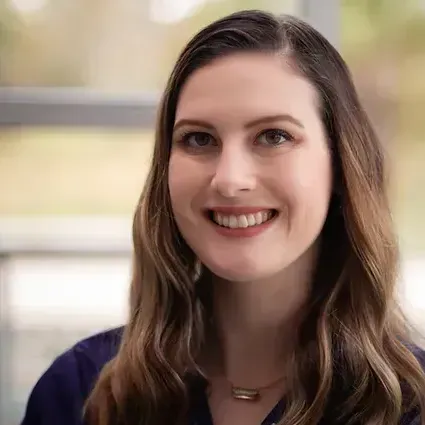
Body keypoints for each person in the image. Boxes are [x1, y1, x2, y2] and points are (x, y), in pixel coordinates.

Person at [21, 9, 425, 425]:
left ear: (340, 164)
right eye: (198, 138)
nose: (230, 180)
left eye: (274, 136)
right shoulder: (76, 393)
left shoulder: (411, 405)